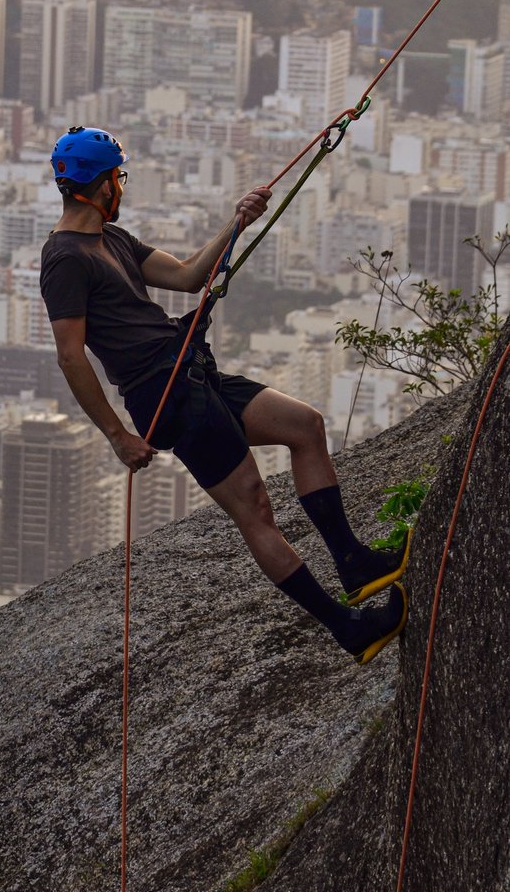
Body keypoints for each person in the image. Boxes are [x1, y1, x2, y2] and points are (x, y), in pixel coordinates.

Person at [40, 125, 409, 664]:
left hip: (190, 372)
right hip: (163, 395)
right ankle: (348, 627)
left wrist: (238, 222)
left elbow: (189, 275)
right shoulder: (65, 259)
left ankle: (354, 563)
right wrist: (118, 436)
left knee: (304, 425)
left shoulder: (112, 240)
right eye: (119, 176)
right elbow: (70, 356)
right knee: (254, 506)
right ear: (102, 184)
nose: (122, 185)